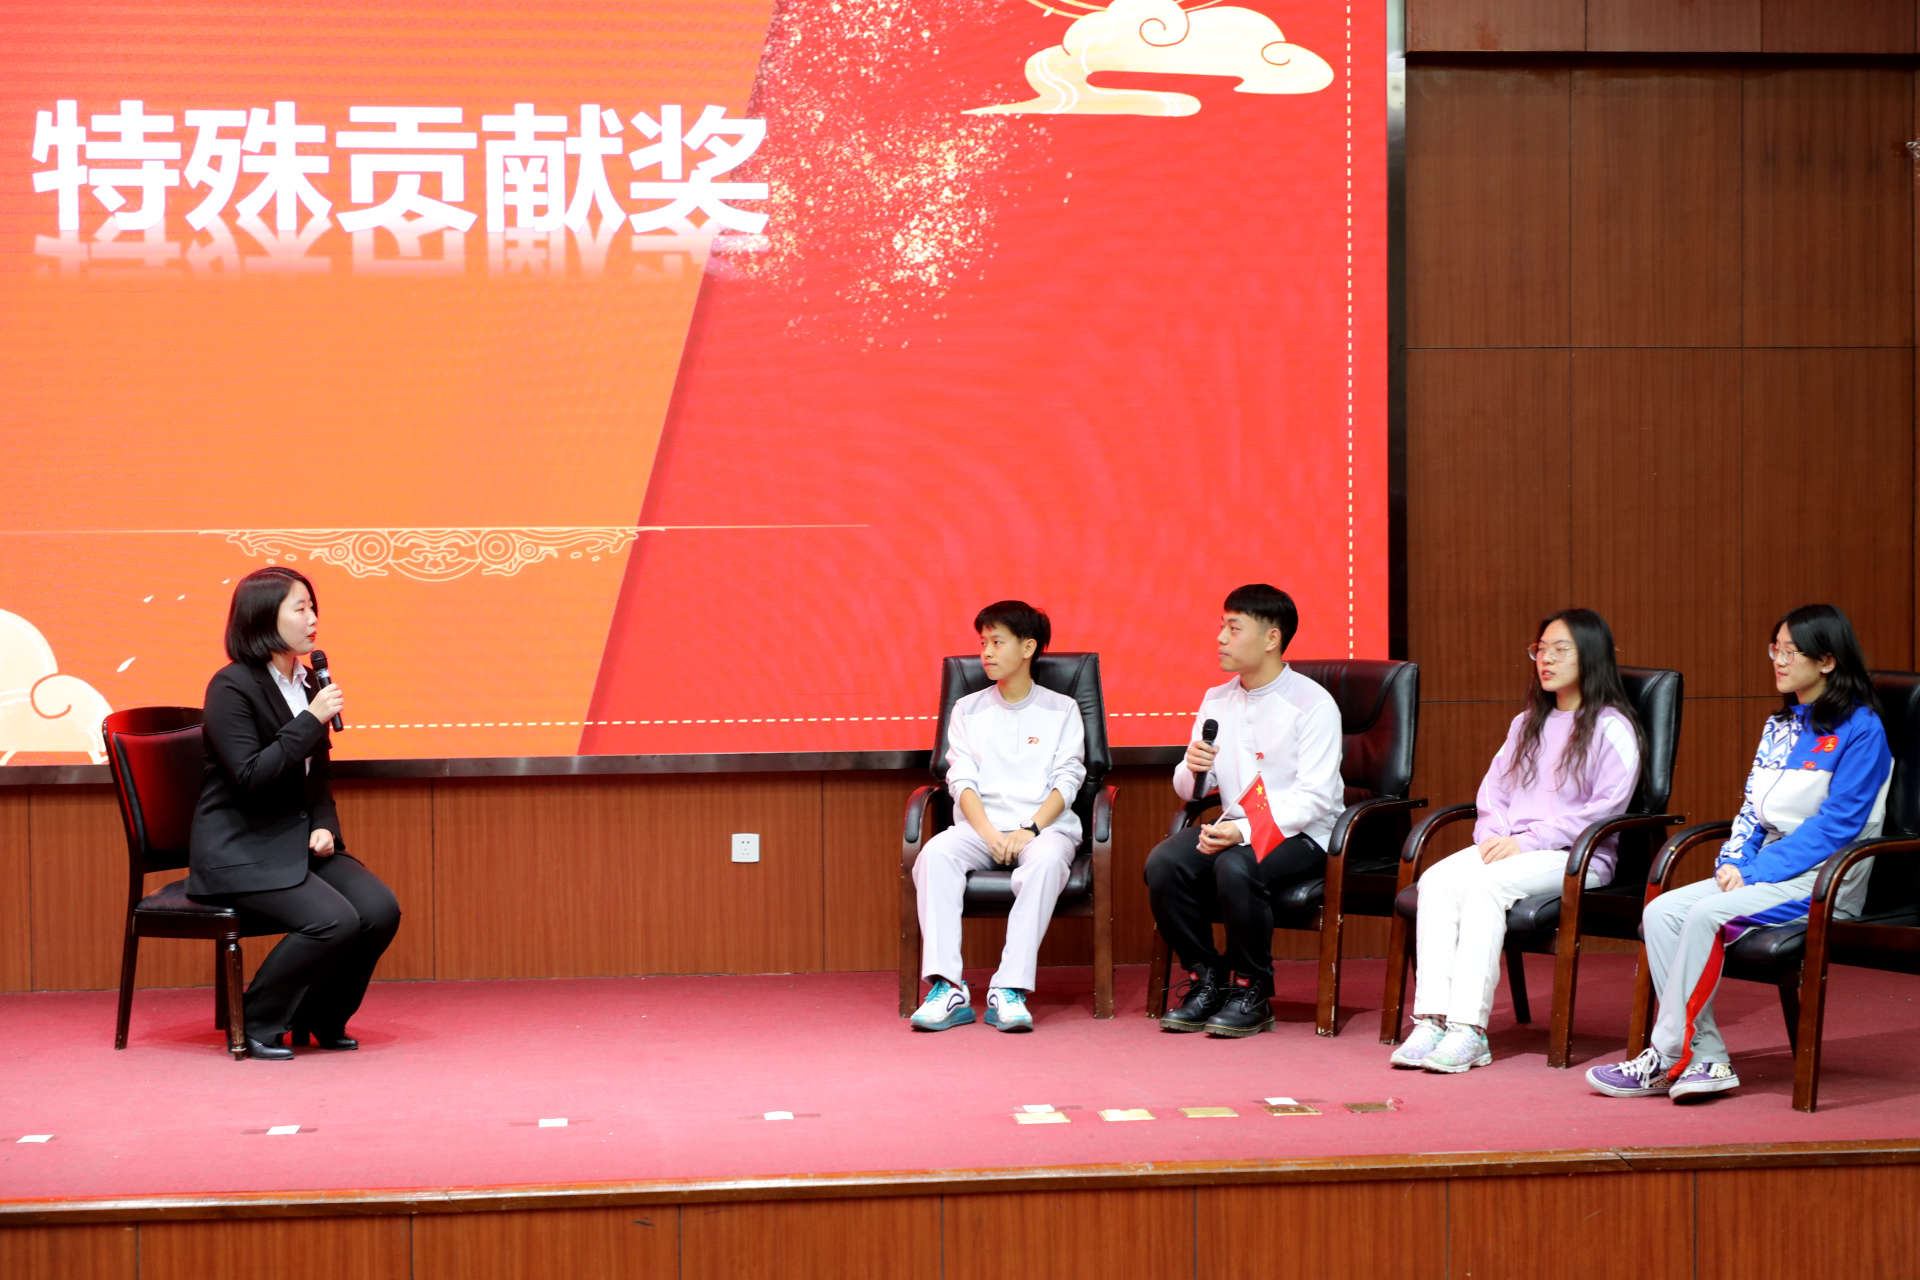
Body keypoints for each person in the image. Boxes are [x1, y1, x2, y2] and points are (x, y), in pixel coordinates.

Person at [1587, 603, 1892, 1102]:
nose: (1779, 661)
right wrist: (1732, 862)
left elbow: (1838, 826)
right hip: (1764, 872)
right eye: (1776, 649)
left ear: (1827, 661)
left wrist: (1755, 872)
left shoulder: (1862, 729)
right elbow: (1753, 809)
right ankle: (1705, 1056)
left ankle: (1667, 1055)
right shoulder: (1780, 726)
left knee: (1707, 915)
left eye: (1792, 651)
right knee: (1661, 912)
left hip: (1824, 879)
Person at [1389, 609, 1642, 1073]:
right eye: (1540, 649)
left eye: (1560, 649)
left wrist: (1527, 842)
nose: (1546, 659)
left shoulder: (1612, 727)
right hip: (1511, 847)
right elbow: (1494, 792)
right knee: (1437, 880)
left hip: (1576, 857)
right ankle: (1432, 1019)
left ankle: (1469, 1030)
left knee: (1486, 887)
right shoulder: (1526, 723)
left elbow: (1605, 809)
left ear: (1591, 655)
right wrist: (1493, 835)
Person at [187, 567, 401, 1060]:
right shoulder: (231, 687)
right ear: (264, 617)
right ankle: (254, 1020)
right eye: (300, 608)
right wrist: (310, 719)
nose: (313, 619)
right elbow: (250, 776)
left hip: (294, 841)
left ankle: (319, 1016)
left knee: (378, 910)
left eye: (313, 607)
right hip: (240, 849)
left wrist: (325, 825)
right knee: (333, 921)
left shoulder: (306, 684)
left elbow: (316, 776)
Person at [1143, 584, 1344, 1037]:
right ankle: (1206, 976)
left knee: (1236, 864)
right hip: (1236, 825)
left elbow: (1315, 797)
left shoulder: (1312, 704)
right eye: (1222, 626)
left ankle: (1252, 988)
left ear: (1271, 638)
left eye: (1234, 628)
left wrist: (1244, 832)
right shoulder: (1216, 699)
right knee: (1165, 862)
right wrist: (1192, 767)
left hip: (1305, 833)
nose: (1220, 638)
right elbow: (1192, 790)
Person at [909, 601, 1087, 1033]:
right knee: (934, 855)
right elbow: (960, 780)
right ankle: (947, 987)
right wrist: (989, 833)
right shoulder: (967, 709)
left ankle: (1009, 988)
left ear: (1028, 648)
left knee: (1046, 862)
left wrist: (1030, 829)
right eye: (983, 643)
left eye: (997, 642)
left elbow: (1068, 779)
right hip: (980, 828)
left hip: (1044, 829)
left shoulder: (1062, 709)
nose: (986, 652)